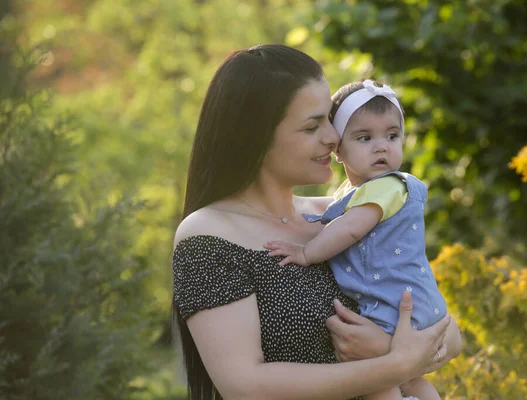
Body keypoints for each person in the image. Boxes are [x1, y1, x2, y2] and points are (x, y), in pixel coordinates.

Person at [171, 44, 460, 400]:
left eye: (330, 119)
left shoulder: (353, 212)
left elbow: (448, 332)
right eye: (312, 126)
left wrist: (384, 347)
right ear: (256, 136)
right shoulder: (209, 233)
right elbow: (245, 385)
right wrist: (394, 365)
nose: (333, 137)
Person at [264, 79, 462, 400]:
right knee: (410, 380)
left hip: (396, 306)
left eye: (392, 136)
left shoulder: (388, 186)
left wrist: (305, 254)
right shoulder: (352, 194)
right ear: (338, 149)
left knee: (374, 377)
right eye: (365, 137)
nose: (382, 146)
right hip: (405, 300)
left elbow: (349, 229)